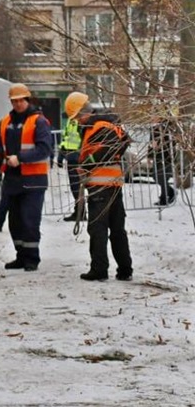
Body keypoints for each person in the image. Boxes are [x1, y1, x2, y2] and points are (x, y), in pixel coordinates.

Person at [0, 83, 53, 271]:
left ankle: (32, 258)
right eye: (14, 101)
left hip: (33, 180)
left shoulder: (39, 121)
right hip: (12, 179)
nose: (17, 104)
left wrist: (20, 158)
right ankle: (21, 256)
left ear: (27, 99)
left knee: (29, 220)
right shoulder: (5, 121)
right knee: (15, 222)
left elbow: (44, 149)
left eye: (20, 100)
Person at [75, 99, 133, 282]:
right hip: (113, 184)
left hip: (100, 186)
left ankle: (99, 269)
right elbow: (123, 142)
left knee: (98, 228)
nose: (77, 121)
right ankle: (125, 269)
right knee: (117, 229)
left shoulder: (98, 126)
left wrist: (86, 165)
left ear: (84, 113)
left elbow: (108, 149)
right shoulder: (108, 124)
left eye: (77, 117)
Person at [58, 92, 88, 222]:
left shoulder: (81, 121)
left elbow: (85, 139)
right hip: (70, 157)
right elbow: (66, 138)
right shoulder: (71, 121)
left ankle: (81, 212)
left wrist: (79, 154)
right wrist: (61, 153)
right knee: (74, 187)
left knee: (78, 187)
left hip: (78, 158)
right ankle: (79, 211)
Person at [149, 117, 178, 207]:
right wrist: (149, 155)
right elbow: (151, 143)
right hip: (157, 156)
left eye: (154, 116)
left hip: (167, 156)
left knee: (162, 177)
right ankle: (170, 192)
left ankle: (164, 198)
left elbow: (173, 142)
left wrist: (159, 143)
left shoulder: (168, 127)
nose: (152, 118)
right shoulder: (153, 128)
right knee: (156, 176)